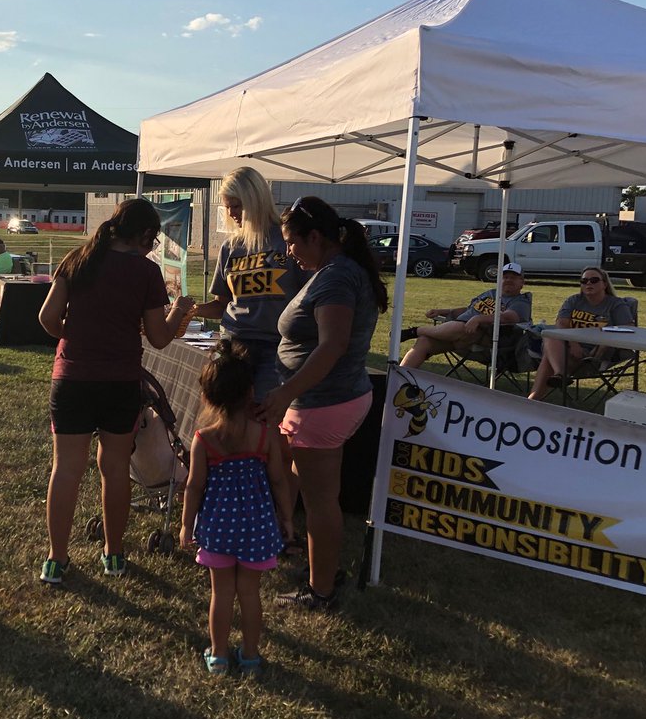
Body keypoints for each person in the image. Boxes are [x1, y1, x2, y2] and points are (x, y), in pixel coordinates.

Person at [37, 198, 194, 584]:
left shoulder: (77, 258)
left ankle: (56, 559)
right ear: (143, 234)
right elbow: (159, 338)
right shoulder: (145, 272)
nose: (152, 247)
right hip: (120, 382)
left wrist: (77, 336)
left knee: (66, 470)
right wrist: (180, 310)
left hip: (71, 377)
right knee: (115, 470)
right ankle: (113, 553)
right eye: (152, 240)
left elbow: (46, 318)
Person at [260, 196, 388, 610]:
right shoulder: (337, 271)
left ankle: (321, 591)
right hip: (329, 398)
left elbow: (332, 346)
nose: (289, 253)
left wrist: (285, 391)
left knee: (319, 503)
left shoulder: (335, 278)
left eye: (292, 243)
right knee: (313, 490)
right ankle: (321, 568)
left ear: (315, 237)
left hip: (323, 402)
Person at [180, 339, 290, 676]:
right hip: (257, 526)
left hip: (218, 527)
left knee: (221, 592)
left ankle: (219, 656)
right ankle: (252, 656)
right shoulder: (264, 435)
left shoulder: (204, 439)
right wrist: (286, 518)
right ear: (250, 392)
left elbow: (194, 486)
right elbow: (280, 481)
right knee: (250, 593)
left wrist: (186, 525)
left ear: (208, 395)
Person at [191, 167, 307, 402]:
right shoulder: (231, 247)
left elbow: (309, 297)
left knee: (263, 415)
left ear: (256, 200)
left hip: (275, 346)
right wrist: (191, 310)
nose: (232, 212)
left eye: (237, 205)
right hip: (233, 344)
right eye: (227, 206)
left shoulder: (286, 240)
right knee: (227, 414)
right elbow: (221, 304)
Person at [528, 266, 634, 401]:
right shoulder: (574, 300)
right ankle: (558, 376)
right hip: (566, 348)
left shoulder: (615, 304)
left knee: (548, 358)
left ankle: (536, 397)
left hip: (594, 355)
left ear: (605, 284)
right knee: (551, 335)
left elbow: (628, 328)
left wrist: (603, 343)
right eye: (584, 281)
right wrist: (573, 343)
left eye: (594, 280)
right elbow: (561, 323)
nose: (588, 283)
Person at [398, 263, 532, 368]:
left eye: (513, 277)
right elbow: (469, 309)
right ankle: (398, 378)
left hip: (487, 341)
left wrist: (478, 319)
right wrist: (442, 311)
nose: (508, 280)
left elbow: (509, 317)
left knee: (460, 328)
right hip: (459, 337)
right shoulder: (490, 293)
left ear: (522, 282)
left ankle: (414, 331)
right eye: (505, 277)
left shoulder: (520, 301)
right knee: (424, 341)